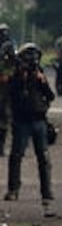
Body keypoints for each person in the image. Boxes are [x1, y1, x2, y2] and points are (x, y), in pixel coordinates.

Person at [5, 43, 54, 208]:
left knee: (43, 157)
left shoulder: (39, 75)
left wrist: (42, 81)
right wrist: (20, 78)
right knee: (16, 155)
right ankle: (13, 189)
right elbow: (9, 93)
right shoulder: (16, 76)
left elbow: (50, 96)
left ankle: (46, 192)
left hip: (38, 120)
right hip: (21, 121)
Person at [0, 24, 14, 156]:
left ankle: (1, 145)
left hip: (5, 87)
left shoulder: (9, 47)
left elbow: (13, 64)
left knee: (5, 115)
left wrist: (7, 74)